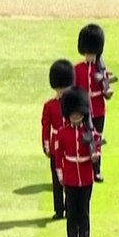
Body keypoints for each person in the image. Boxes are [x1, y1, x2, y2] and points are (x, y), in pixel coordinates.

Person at [53, 87, 101, 237]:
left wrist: (95, 157)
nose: (75, 117)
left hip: (86, 175)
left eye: (78, 114)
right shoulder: (62, 133)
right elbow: (59, 157)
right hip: (71, 176)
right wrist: (60, 175)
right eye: (73, 114)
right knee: (71, 210)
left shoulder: (89, 132)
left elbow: (97, 146)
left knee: (84, 209)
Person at [73, 24, 112, 183]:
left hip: (98, 109)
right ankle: (83, 168)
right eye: (87, 53)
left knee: (97, 140)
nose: (90, 56)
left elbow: (106, 90)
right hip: (83, 110)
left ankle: (96, 171)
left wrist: (107, 92)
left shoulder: (101, 70)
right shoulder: (77, 69)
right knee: (83, 140)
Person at [42, 60, 75, 220]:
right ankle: (59, 209)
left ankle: (69, 208)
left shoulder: (74, 104)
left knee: (69, 179)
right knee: (56, 180)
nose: (61, 91)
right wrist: (46, 146)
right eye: (59, 88)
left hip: (70, 144)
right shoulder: (50, 105)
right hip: (56, 145)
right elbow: (46, 127)